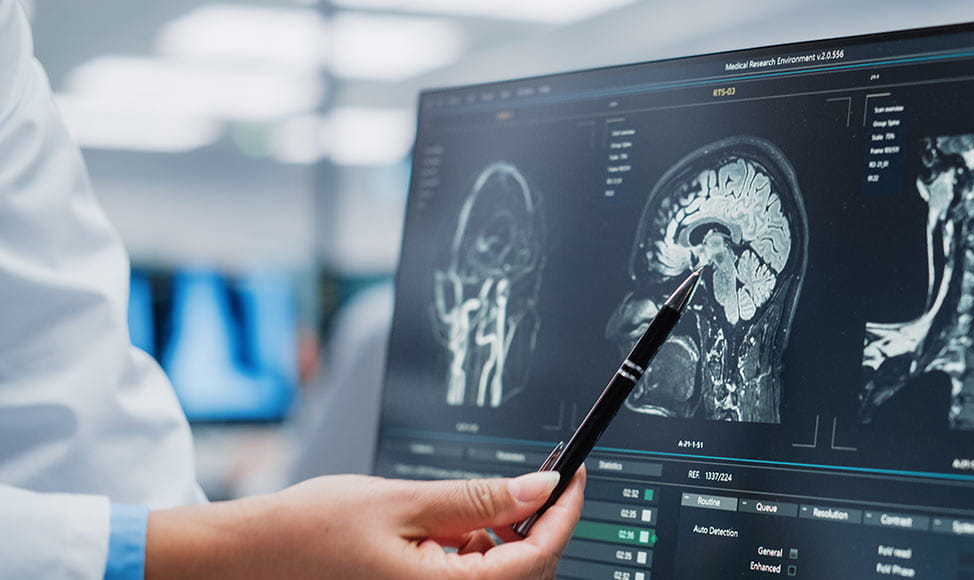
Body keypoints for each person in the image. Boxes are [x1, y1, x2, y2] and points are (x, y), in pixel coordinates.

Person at [0, 1, 584, 578]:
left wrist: (213, 535)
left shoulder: (378, 325)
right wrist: (222, 544)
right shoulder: (385, 325)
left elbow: (66, 398)